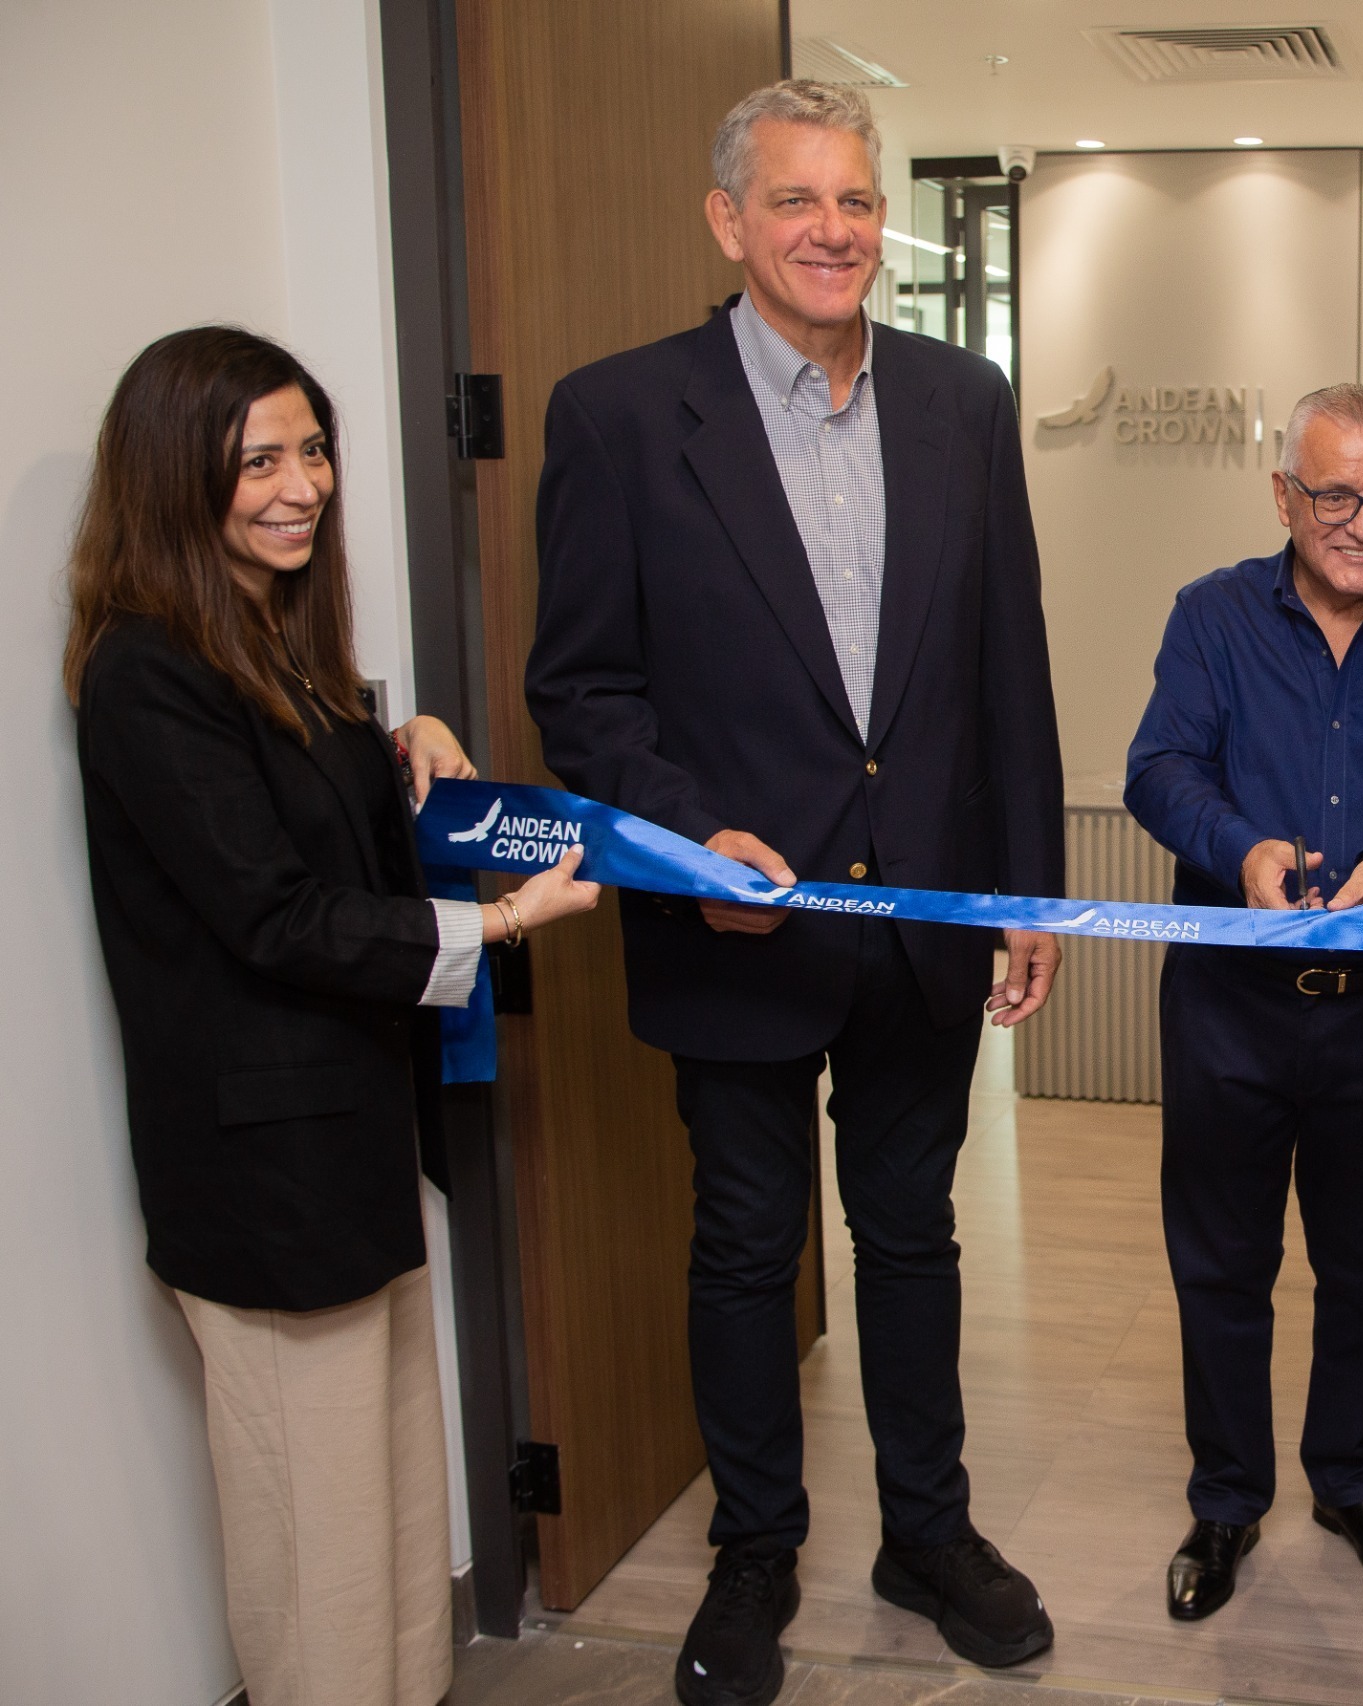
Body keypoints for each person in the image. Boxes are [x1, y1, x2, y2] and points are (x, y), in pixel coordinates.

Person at [522, 80, 1066, 1704]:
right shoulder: (620, 415)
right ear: (728, 221)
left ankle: (928, 1534)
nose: (833, 231)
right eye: (796, 200)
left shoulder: (965, 401)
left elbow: (1009, 668)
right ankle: (755, 1551)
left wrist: (1028, 890)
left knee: (912, 1239)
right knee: (750, 1248)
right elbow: (583, 692)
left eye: (855, 200)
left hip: (921, 923)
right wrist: (694, 839)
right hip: (733, 927)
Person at [69, 326, 598, 1706]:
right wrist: (499, 923)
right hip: (262, 1179)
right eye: (259, 461)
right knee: (316, 1546)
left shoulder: (268, 639)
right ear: (175, 475)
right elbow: (276, 911)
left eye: (311, 451)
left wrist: (400, 737)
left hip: (350, 1145)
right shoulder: (145, 670)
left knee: (389, 1514)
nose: (301, 486)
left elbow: (310, 804)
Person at [1124, 383, 1363, 1622]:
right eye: (1335, 493)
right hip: (1227, 1003)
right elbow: (1158, 768)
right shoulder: (1211, 614)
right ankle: (1226, 1498)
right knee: (1221, 1263)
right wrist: (1239, 849)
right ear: (1283, 494)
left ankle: (1349, 1480)